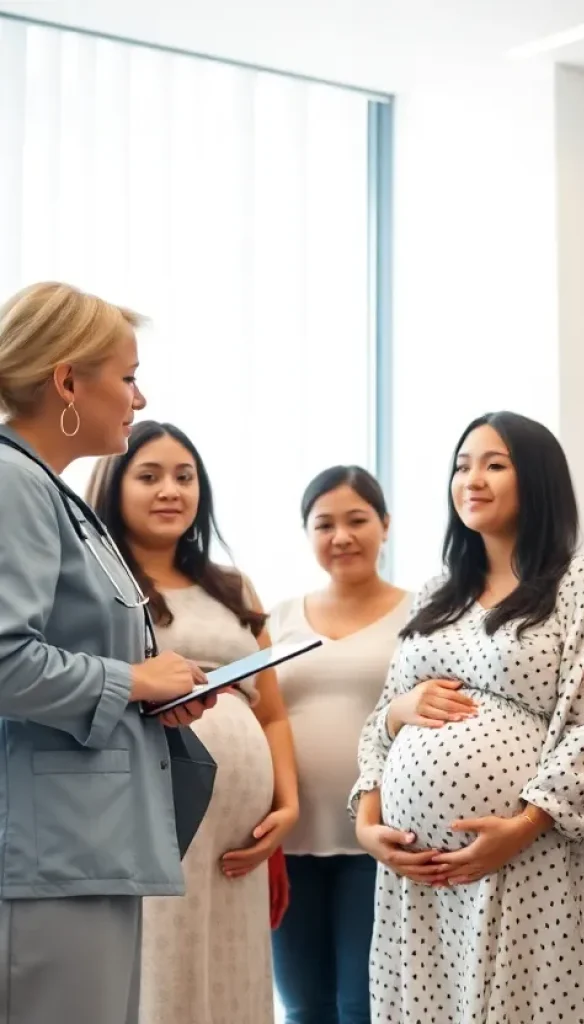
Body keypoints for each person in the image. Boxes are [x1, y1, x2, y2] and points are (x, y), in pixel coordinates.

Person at [350, 411, 584, 1024]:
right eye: (462, 466)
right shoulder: (435, 593)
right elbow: (379, 723)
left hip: (529, 857)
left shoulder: (583, 584)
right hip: (417, 876)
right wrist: (369, 824)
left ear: (537, 479)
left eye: (494, 465)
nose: (471, 479)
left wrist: (523, 825)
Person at [0, 283, 211, 1024]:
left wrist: (152, 694)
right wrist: (134, 680)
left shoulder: (54, 494)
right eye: (126, 377)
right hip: (51, 849)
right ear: (66, 381)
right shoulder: (13, 484)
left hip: (88, 842)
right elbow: (5, 662)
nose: (140, 398)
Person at [86, 420, 299, 1024]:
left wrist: (286, 804)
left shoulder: (233, 586)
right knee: (165, 966)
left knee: (236, 971)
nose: (170, 491)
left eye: (185, 477)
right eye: (149, 476)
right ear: (114, 486)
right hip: (151, 811)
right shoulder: (99, 583)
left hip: (239, 831)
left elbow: (272, 712)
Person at [268, 466, 410, 1024]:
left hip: (378, 838)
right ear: (307, 533)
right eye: (324, 524)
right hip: (288, 838)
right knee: (303, 1007)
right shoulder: (278, 618)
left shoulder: (423, 615)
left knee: (364, 1006)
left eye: (357, 520)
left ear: (385, 525)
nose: (341, 536)